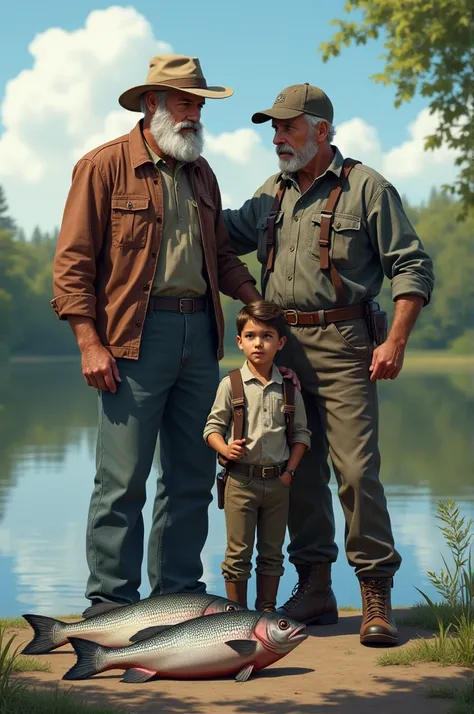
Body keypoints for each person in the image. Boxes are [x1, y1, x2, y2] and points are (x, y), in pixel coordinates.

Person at [222, 83, 435, 645]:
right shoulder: (273, 193)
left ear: (321, 129)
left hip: (346, 346)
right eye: (273, 128)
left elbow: (411, 266)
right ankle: (314, 586)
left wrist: (396, 341)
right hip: (282, 348)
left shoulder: (368, 188)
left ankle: (375, 594)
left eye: (287, 126)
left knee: (357, 472)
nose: (277, 137)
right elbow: (218, 232)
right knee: (299, 473)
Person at [51, 54, 262, 616]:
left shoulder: (203, 173)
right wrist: (88, 342)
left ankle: (177, 596)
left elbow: (220, 256)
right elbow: (71, 266)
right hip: (130, 340)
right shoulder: (102, 167)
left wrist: (253, 299)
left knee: (191, 475)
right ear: (152, 105)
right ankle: (109, 606)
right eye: (185, 103)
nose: (194, 115)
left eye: (199, 105)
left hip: (202, 332)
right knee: (122, 482)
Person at [203, 301, 311, 612]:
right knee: (237, 554)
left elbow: (302, 434)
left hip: (278, 484)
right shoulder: (230, 384)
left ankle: (266, 615)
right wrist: (224, 449)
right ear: (239, 342)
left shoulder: (289, 388)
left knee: (272, 553)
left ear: (281, 343)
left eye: (266, 336)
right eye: (250, 336)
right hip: (240, 482)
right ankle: (235, 617)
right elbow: (211, 427)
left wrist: (289, 471)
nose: (258, 343)